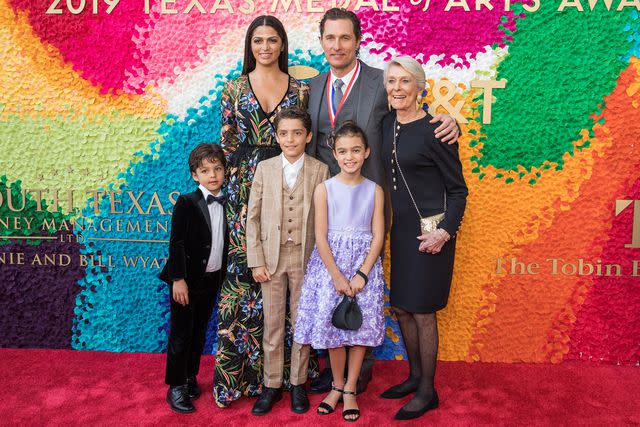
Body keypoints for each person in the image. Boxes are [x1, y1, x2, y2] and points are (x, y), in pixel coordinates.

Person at [306, 7, 461, 394]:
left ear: (359, 41)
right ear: (322, 41)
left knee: (376, 286)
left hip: (375, 210)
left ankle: (369, 371)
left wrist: (450, 120)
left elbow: (417, 119)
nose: (337, 45)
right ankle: (337, 367)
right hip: (329, 205)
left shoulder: (381, 81)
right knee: (333, 284)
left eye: (345, 37)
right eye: (330, 37)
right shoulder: (310, 87)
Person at [213, 16, 318, 407]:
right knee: (247, 280)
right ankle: (247, 380)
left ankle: (296, 381)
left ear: (282, 44)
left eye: (273, 40)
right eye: (258, 40)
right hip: (244, 194)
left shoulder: (302, 90)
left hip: (290, 185)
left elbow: (311, 141)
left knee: (296, 289)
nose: (265, 47)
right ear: (249, 45)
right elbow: (226, 144)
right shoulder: (233, 89)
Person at [380, 56, 468, 420]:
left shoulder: (437, 129)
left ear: (420, 86)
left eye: (405, 81)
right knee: (401, 306)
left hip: (432, 231)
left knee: (423, 311)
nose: (397, 88)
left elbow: (458, 190)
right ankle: (414, 376)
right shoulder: (386, 124)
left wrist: (445, 232)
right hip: (399, 232)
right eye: (392, 81)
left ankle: (428, 390)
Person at [295, 121, 386, 422]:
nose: (350, 157)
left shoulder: (375, 191)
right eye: (343, 151)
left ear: (366, 152)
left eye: (356, 150)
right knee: (334, 329)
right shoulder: (324, 189)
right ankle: (335, 385)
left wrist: (362, 274)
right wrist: (336, 275)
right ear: (334, 154)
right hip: (330, 268)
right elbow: (320, 236)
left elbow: (378, 236)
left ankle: (350, 388)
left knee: (358, 330)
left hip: (363, 269)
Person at [245, 107, 330, 415]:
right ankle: (270, 385)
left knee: (302, 323)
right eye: (284, 133)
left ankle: (297, 384)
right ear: (276, 136)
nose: (290, 139)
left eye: (297, 133)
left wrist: (321, 264)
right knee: (272, 325)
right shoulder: (265, 169)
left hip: (305, 259)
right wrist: (256, 260)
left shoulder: (320, 171)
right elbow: (252, 218)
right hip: (271, 259)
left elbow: (326, 220)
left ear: (308, 136)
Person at [159, 143, 228, 414]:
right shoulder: (187, 203)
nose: (212, 175)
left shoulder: (229, 203)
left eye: (217, 169)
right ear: (194, 175)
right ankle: (175, 385)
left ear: (224, 171)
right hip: (185, 282)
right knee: (181, 334)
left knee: (199, 332)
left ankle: (190, 377)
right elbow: (176, 243)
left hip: (211, 280)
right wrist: (178, 279)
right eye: (205, 170)